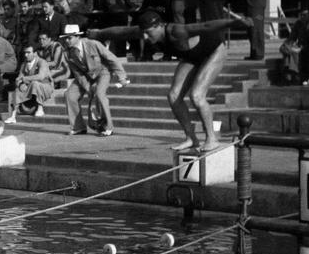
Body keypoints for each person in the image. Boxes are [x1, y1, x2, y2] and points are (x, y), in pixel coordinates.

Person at [91, 11, 247, 152]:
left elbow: (206, 26)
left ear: (159, 26)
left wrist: (235, 22)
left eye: (148, 33)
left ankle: (212, 139)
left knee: (197, 96)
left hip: (213, 51)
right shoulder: (144, 32)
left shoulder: (176, 31)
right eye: (143, 33)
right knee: (173, 96)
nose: (145, 37)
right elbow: (120, 31)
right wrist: (98, 33)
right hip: (191, 56)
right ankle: (191, 138)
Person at [57, 23, 128, 137]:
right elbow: (77, 72)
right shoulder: (67, 53)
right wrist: (87, 87)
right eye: (65, 38)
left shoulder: (93, 44)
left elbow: (111, 58)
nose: (67, 41)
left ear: (77, 37)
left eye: (69, 38)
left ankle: (108, 127)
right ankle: (78, 127)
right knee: (69, 95)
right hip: (85, 76)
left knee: (99, 94)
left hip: (103, 72)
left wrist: (122, 76)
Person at [8, 43, 55, 119]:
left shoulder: (42, 62)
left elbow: (40, 76)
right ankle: (13, 114)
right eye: (25, 53)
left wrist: (25, 79)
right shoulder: (24, 64)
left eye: (28, 52)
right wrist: (20, 84)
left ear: (35, 53)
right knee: (18, 89)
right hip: (30, 87)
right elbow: (18, 78)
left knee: (35, 83)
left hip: (45, 87)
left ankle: (40, 108)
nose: (26, 55)